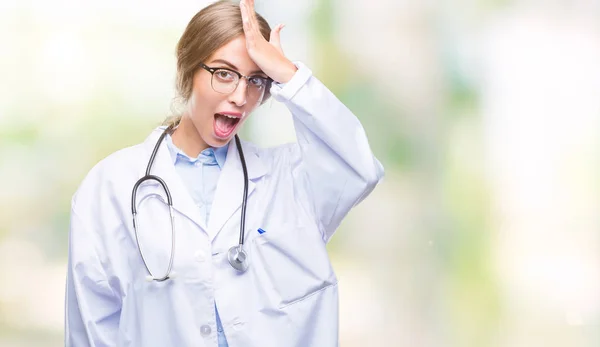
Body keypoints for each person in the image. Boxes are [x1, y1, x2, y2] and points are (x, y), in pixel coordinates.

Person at [64, 0, 384, 346]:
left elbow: (359, 167)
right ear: (187, 70)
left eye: (256, 79)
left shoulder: (289, 179)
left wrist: (290, 76)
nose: (240, 95)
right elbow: (91, 325)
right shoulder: (111, 185)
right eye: (224, 73)